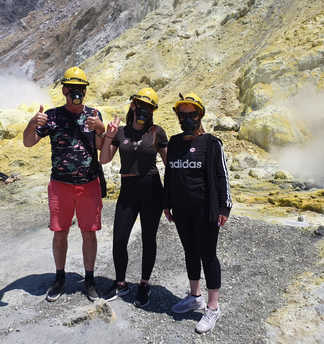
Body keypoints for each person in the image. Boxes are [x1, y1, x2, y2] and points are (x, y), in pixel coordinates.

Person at [23, 66, 106, 302]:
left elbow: (102, 148)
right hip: (60, 185)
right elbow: (29, 143)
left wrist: (101, 130)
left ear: (85, 91)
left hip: (89, 185)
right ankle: (59, 277)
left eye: (81, 88)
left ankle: (89, 280)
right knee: (60, 233)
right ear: (64, 90)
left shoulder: (94, 114)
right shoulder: (52, 116)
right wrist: (31, 124)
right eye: (72, 88)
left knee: (89, 233)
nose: (76, 93)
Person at [163, 93, 232, 333]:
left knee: (208, 255)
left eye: (191, 114)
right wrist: (167, 202)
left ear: (199, 115)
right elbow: (170, 174)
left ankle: (212, 308)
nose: (187, 119)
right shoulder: (174, 142)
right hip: (181, 209)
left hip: (205, 209)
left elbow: (222, 175)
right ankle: (195, 297)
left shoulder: (211, 143)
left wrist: (225, 207)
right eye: (182, 115)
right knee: (190, 252)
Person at [99, 88, 168, 308]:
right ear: (133, 106)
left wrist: (172, 199)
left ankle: (144, 284)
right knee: (119, 240)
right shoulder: (120, 132)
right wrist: (109, 135)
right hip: (128, 191)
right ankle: (121, 283)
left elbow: (170, 166)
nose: (144, 110)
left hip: (152, 191)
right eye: (141, 105)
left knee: (149, 239)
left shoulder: (158, 133)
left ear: (153, 111)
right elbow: (104, 159)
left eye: (149, 107)